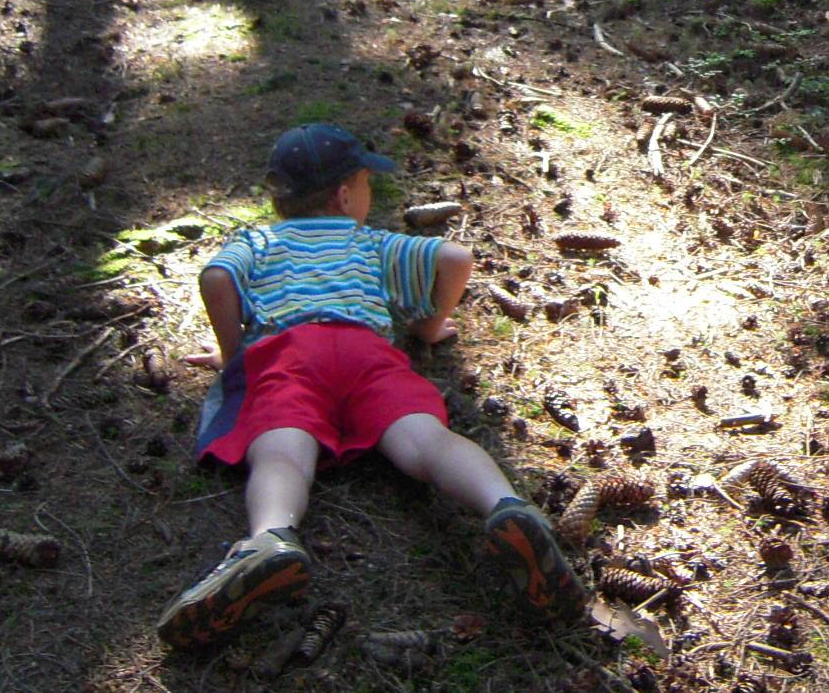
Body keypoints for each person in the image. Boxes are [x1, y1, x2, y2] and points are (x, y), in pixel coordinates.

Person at [156, 124, 585, 650]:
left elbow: (216, 279)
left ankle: (270, 537)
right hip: (367, 353)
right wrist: (428, 325)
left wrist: (233, 354)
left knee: (283, 452)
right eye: (367, 185)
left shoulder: (258, 241)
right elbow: (455, 259)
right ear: (344, 196)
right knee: (426, 441)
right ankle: (506, 505)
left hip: (290, 353)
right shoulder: (369, 243)